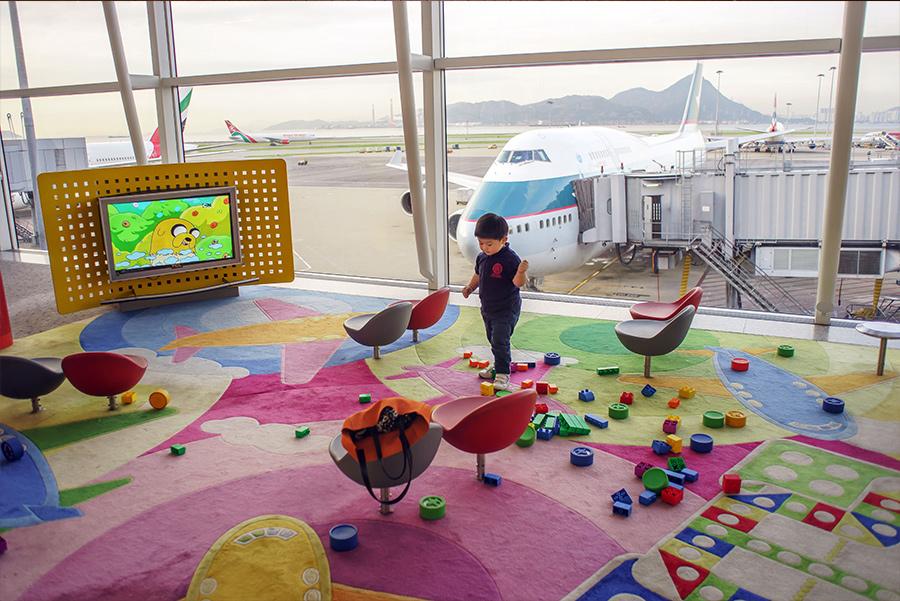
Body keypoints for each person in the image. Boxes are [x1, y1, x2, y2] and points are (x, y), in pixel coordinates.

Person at [461, 213, 529, 391]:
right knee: (493, 339)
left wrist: (521, 272)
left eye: (489, 244)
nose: (484, 247)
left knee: (500, 340)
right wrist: (470, 287)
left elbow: (517, 284)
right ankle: (498, 365)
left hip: (506, 309)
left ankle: (503, 373)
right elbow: (478, 274)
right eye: (481, 243)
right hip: (488, 308)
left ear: (504, 239)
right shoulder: (482, 257)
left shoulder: (510, 259)